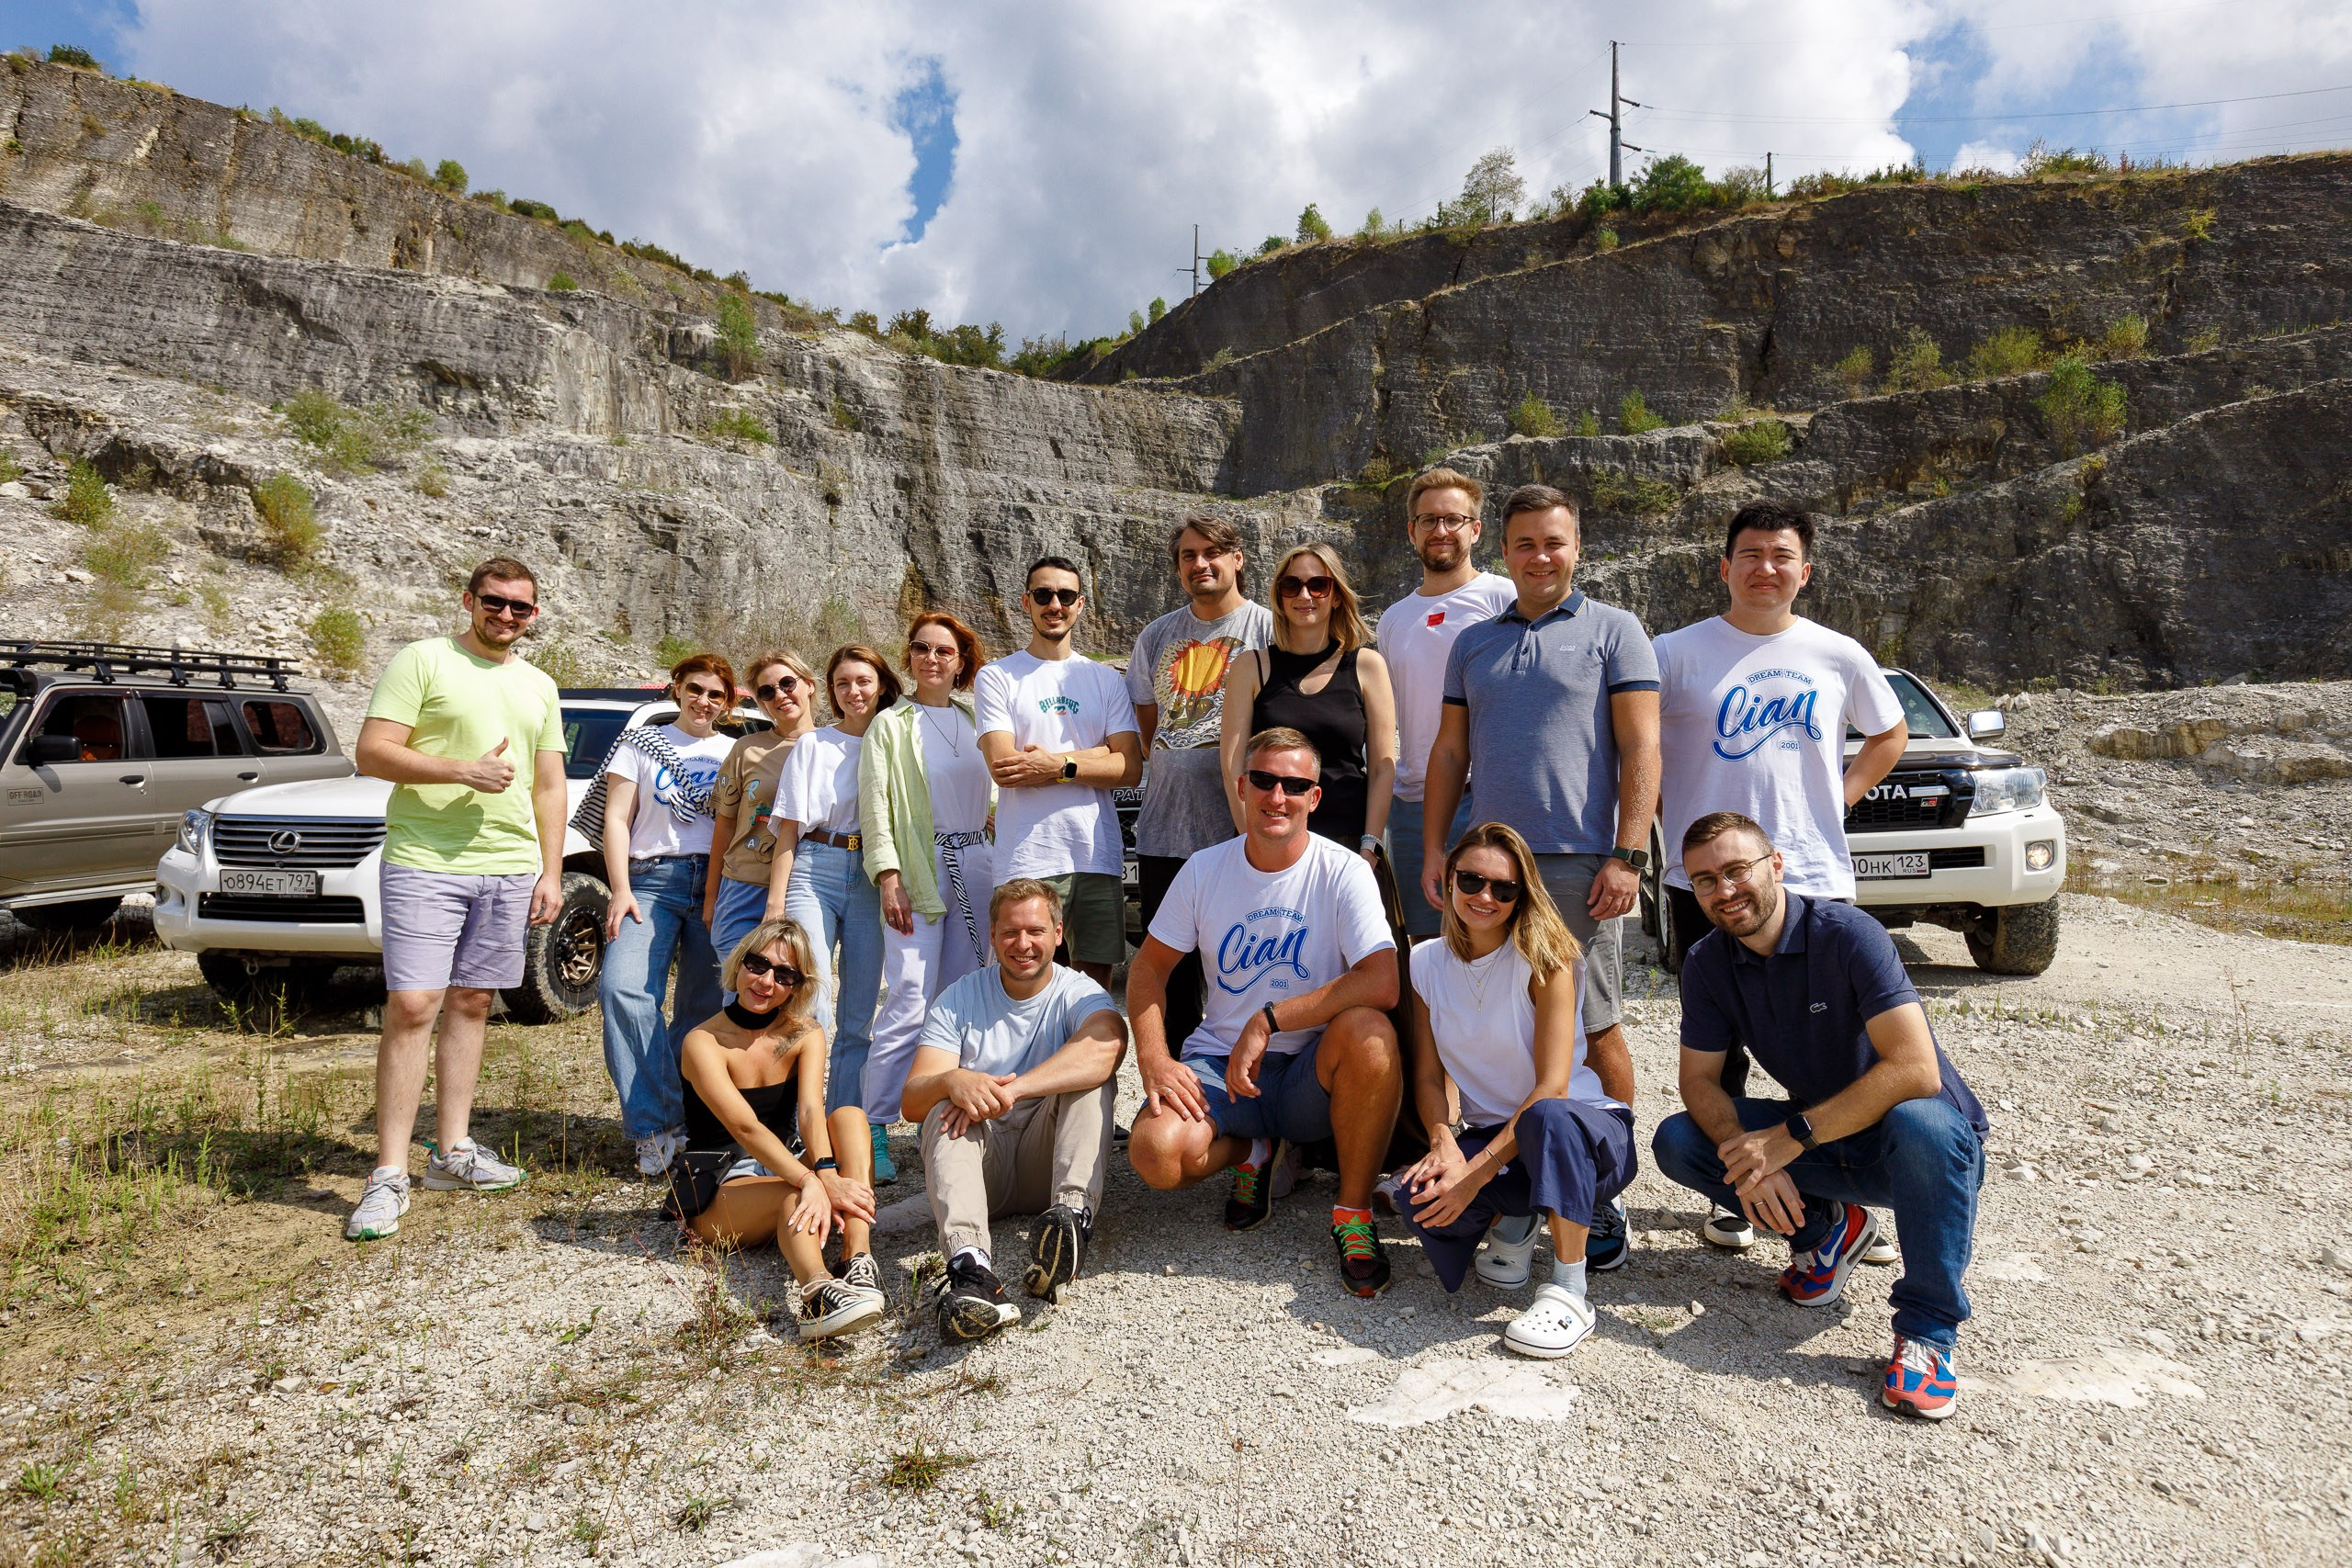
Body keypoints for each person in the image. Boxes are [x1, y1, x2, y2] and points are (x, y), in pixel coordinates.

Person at [1650, 812, 1989, 1421]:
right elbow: (1698, 1080)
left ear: (1776, 865)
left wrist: (1789, 1138)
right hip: (1828, 1141)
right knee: (1680, 1139)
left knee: (1922, 1124)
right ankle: (1825, 1233)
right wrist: (1748, 1155)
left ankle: (1928, 1334)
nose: (1724, 890)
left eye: (1737, 870)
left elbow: (1917, 1070)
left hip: (1918, 1150)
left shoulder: (1848, 935)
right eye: (1705, 880)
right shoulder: (1706, 961)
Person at [1653, 498, 1911, 1253]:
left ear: (1806, 570)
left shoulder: (1837, 653)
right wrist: (1669, 812)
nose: (1765, 568)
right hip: (1703, 881)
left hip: (1813, 872)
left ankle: (1846, 1191)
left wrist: (1839, 797)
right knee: (1722, 1042)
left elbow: (1889, 732)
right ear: (1724, 565)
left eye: (1782, 556)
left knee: (1835, 1047)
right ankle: (1738, 1186)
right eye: (1751, 554)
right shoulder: (1675, 652)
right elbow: (1637, 745)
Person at [1419, 482, 1659, 1272]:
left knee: (1593, 1021)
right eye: (1525, 543)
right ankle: (1520, 1180)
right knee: (1497, 1014)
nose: (1540, 556)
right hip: (1492, 869)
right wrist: (1435, 848)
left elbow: (1642, 746)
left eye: (1554, 541)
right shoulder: (1474, 643)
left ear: (1577, 547)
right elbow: (1450, 752)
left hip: (1580, 863)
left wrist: (1628, 854)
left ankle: (1601, 1185)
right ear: (1504, 551)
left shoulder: (1615, 631)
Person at [1126, 728, 1403, 1298]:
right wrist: (1153, 1057)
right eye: (1264, 780)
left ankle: (1352, 1213)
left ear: (1314, 797)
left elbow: (1382, 980)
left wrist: (1271, 1019)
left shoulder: (1343, 870)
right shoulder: (1204, 869)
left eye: (1295, 785)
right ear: (1241, 787)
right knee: (1155, 1152)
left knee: (1371, 1031)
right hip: (1224, 1066)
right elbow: (1148, 969)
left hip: (1310, 1075)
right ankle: (1254, 1151)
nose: (1278, 797)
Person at [345, 558, 566, 1240]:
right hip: (425, 859)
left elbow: (549, 785)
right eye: (494, 601)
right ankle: (388, 1172)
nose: (506, 615)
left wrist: (551, 871)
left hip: (508, 867)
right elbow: (372, 752)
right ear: (468, 600)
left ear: (533, 615)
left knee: (473, 1001)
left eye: (520, 607)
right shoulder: (424, 660)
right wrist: (460, 770)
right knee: (414, 1005)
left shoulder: (539, 684)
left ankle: (452, 1152)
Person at [1394, 823, 1635, 1359]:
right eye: (1472, 880)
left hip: (1582, 1131)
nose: (1485, 896)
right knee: (1417, 1198)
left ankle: (1570, 1292)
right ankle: (1521, 1215)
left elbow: (1552, 1087)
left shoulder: (1546, 959)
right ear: (1449, 878)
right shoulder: (1425, 961)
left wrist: (1475, 1174)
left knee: (1547, 1116)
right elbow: (1430, 1076)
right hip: (1500, 1138)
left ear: (1523, 894)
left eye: (1504, 888)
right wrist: (1442, 1142)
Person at [901, 880, 1128, 1341]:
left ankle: (1070, 1221)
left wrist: (1014, 1090)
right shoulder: (960, 998)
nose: (1022, 944)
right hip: (985, 1173)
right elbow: (911, 1101)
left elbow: (1108, 1046)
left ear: (1058, 934)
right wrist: (951, 1081)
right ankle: (971, 1270)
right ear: (992, 935)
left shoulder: (1077, 991)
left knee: (1091, 1081)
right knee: (944, 1108)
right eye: (1010, 932)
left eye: (1035, 931)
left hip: (1048, 1159)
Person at [673, 919, 887, 1342]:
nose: (766, 981)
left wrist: (825, 1173)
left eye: (784, 975)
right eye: (758, 965)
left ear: (796, 987)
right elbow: (744, 1127)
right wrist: (811, 1181)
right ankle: (817, 1294)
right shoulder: (703, 1041)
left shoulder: (804, 1033)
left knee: (849, 1117)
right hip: (720, 1185)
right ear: (739, 964)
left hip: (783, 1164)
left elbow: (810, 1111)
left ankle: (857, 1258)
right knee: (793, 1194)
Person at [1127, 516, 1272, 1051]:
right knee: (1172, 975)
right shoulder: (1156, 636)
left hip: (1241, 833)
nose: (1200, 564)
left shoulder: (1268, 629)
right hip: (1164, 833)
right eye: (1188, 555)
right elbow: (1149, 725)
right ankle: (1177, 1082)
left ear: (1238, 558)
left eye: (1212, 552)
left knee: (1250, 967)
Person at [860, 614, 995, 1164]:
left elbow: (991, 791)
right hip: (920, 865)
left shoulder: (975, 718)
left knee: (964, 993)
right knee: (911, 995)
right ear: (909, 655)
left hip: (977, 861)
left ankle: (946, 1116)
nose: (932, 659)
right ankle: (873, 1124)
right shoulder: (890, 724)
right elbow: (875, 807)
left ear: (962, 662)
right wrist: (888, 876)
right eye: (922, 648)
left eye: (944, 651)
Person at [596, 653, 739, 1179]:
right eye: (695, 689)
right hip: (651, 879)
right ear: (677, 688)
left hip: (720, 883)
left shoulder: (735, 750)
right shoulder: (641, 744)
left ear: (728, 702)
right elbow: (616, 818)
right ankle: (655, 1124)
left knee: (704, 1010)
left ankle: (691, 1119)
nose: (704, 701)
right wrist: (620, 889)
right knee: (624, 990)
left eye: (716, 694)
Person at [974, 557, 1142, 987]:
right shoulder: (997, 677)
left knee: (1093, 987)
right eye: (1043, 594)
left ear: (1080, 604)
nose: (1055, 604)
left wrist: (1058, 765)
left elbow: (1129, 767)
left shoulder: (1105, 680)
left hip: (1095, 853)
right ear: (1025, 602)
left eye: (1066, 595)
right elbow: (1005, 768)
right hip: (1027, 856)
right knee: (1023, 979)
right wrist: (1096, 755)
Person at [768, 646, 898, 1178]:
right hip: (814, 867)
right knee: (813, 1003)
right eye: (842, 683)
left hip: (872, 872)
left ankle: (851, 1133)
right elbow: (789, 829)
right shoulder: (813, 745)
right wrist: (775, 904)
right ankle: (805, 1133)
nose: (853, 692)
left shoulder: (896, 738)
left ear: (880, 684)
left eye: (863, 681)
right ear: (831, 691)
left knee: (859, 1017)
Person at [1374, 469, 1517, 940]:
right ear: (1411, 531)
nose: (1440, 530)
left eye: (1453, 519)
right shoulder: (1393, 620)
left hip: (1485, 795)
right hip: (1413, 803)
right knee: (1425, 943)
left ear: (1475, 529)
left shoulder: (1505, 597)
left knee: (1494, 940)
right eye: (1428, 520)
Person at [1220, 543, 1396, 856]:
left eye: (1318, 585)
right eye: (1291, 585)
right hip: (1269, 839)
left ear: (1337, 596)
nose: (1304, 595)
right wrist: (1253, 843)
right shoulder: (1250, 667)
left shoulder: (1367, 666)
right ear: (1279, 596)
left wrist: (1370, 846)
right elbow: (1234, 767)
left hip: (1346, 842)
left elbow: (1383, 768)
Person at [703, 649, 821, 962]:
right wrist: (712, 897)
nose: (779, 695)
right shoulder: (746, 749)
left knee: (791, 985)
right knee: (739, 984)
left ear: (809, 684)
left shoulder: (834, 747)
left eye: (787, 683)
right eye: (767, 692)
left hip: (804, 891)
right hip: (743, 886)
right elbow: (725, 825)